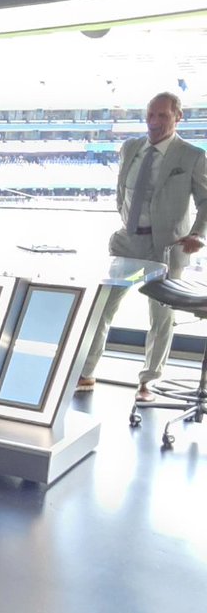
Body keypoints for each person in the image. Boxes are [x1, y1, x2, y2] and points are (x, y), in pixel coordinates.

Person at [76, 92, 207, 400]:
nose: (154, 122)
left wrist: (198, 234)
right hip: (127, 241)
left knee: (161, 317)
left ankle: (148, 381)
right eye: (151, 114)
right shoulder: (131, 148)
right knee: (102, 306)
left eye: (163, 116)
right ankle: (87, 372)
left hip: (166, 246)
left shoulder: (191, 156)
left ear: (178, 118)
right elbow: (123, 190)